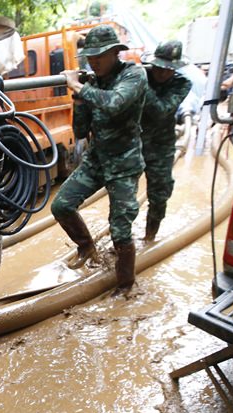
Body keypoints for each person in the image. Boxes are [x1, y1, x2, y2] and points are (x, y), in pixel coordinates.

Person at [53, 24, 147, 296]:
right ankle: (86, 246)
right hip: (97, 160)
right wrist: (78, 99)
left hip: (125, 163)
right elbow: (81, 131)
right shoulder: (92, 82)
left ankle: (127, 285)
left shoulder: (133, 74)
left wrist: (79, 88)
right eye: (90, 56)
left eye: (99, 56)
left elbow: (116, 103)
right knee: (61, 205)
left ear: (116, 52)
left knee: (120, 229)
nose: (93, 61)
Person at [139, 41, 192, 241]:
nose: (162, 73)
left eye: (168, 69)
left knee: (160, 194)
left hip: (161, 146)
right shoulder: (140, 74)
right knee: (123, 196)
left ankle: (149, 238)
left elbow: (161, 110)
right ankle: (122, 241)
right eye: (159, 67)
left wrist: (141, 84)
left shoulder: (181, 83)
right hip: (132, 144)